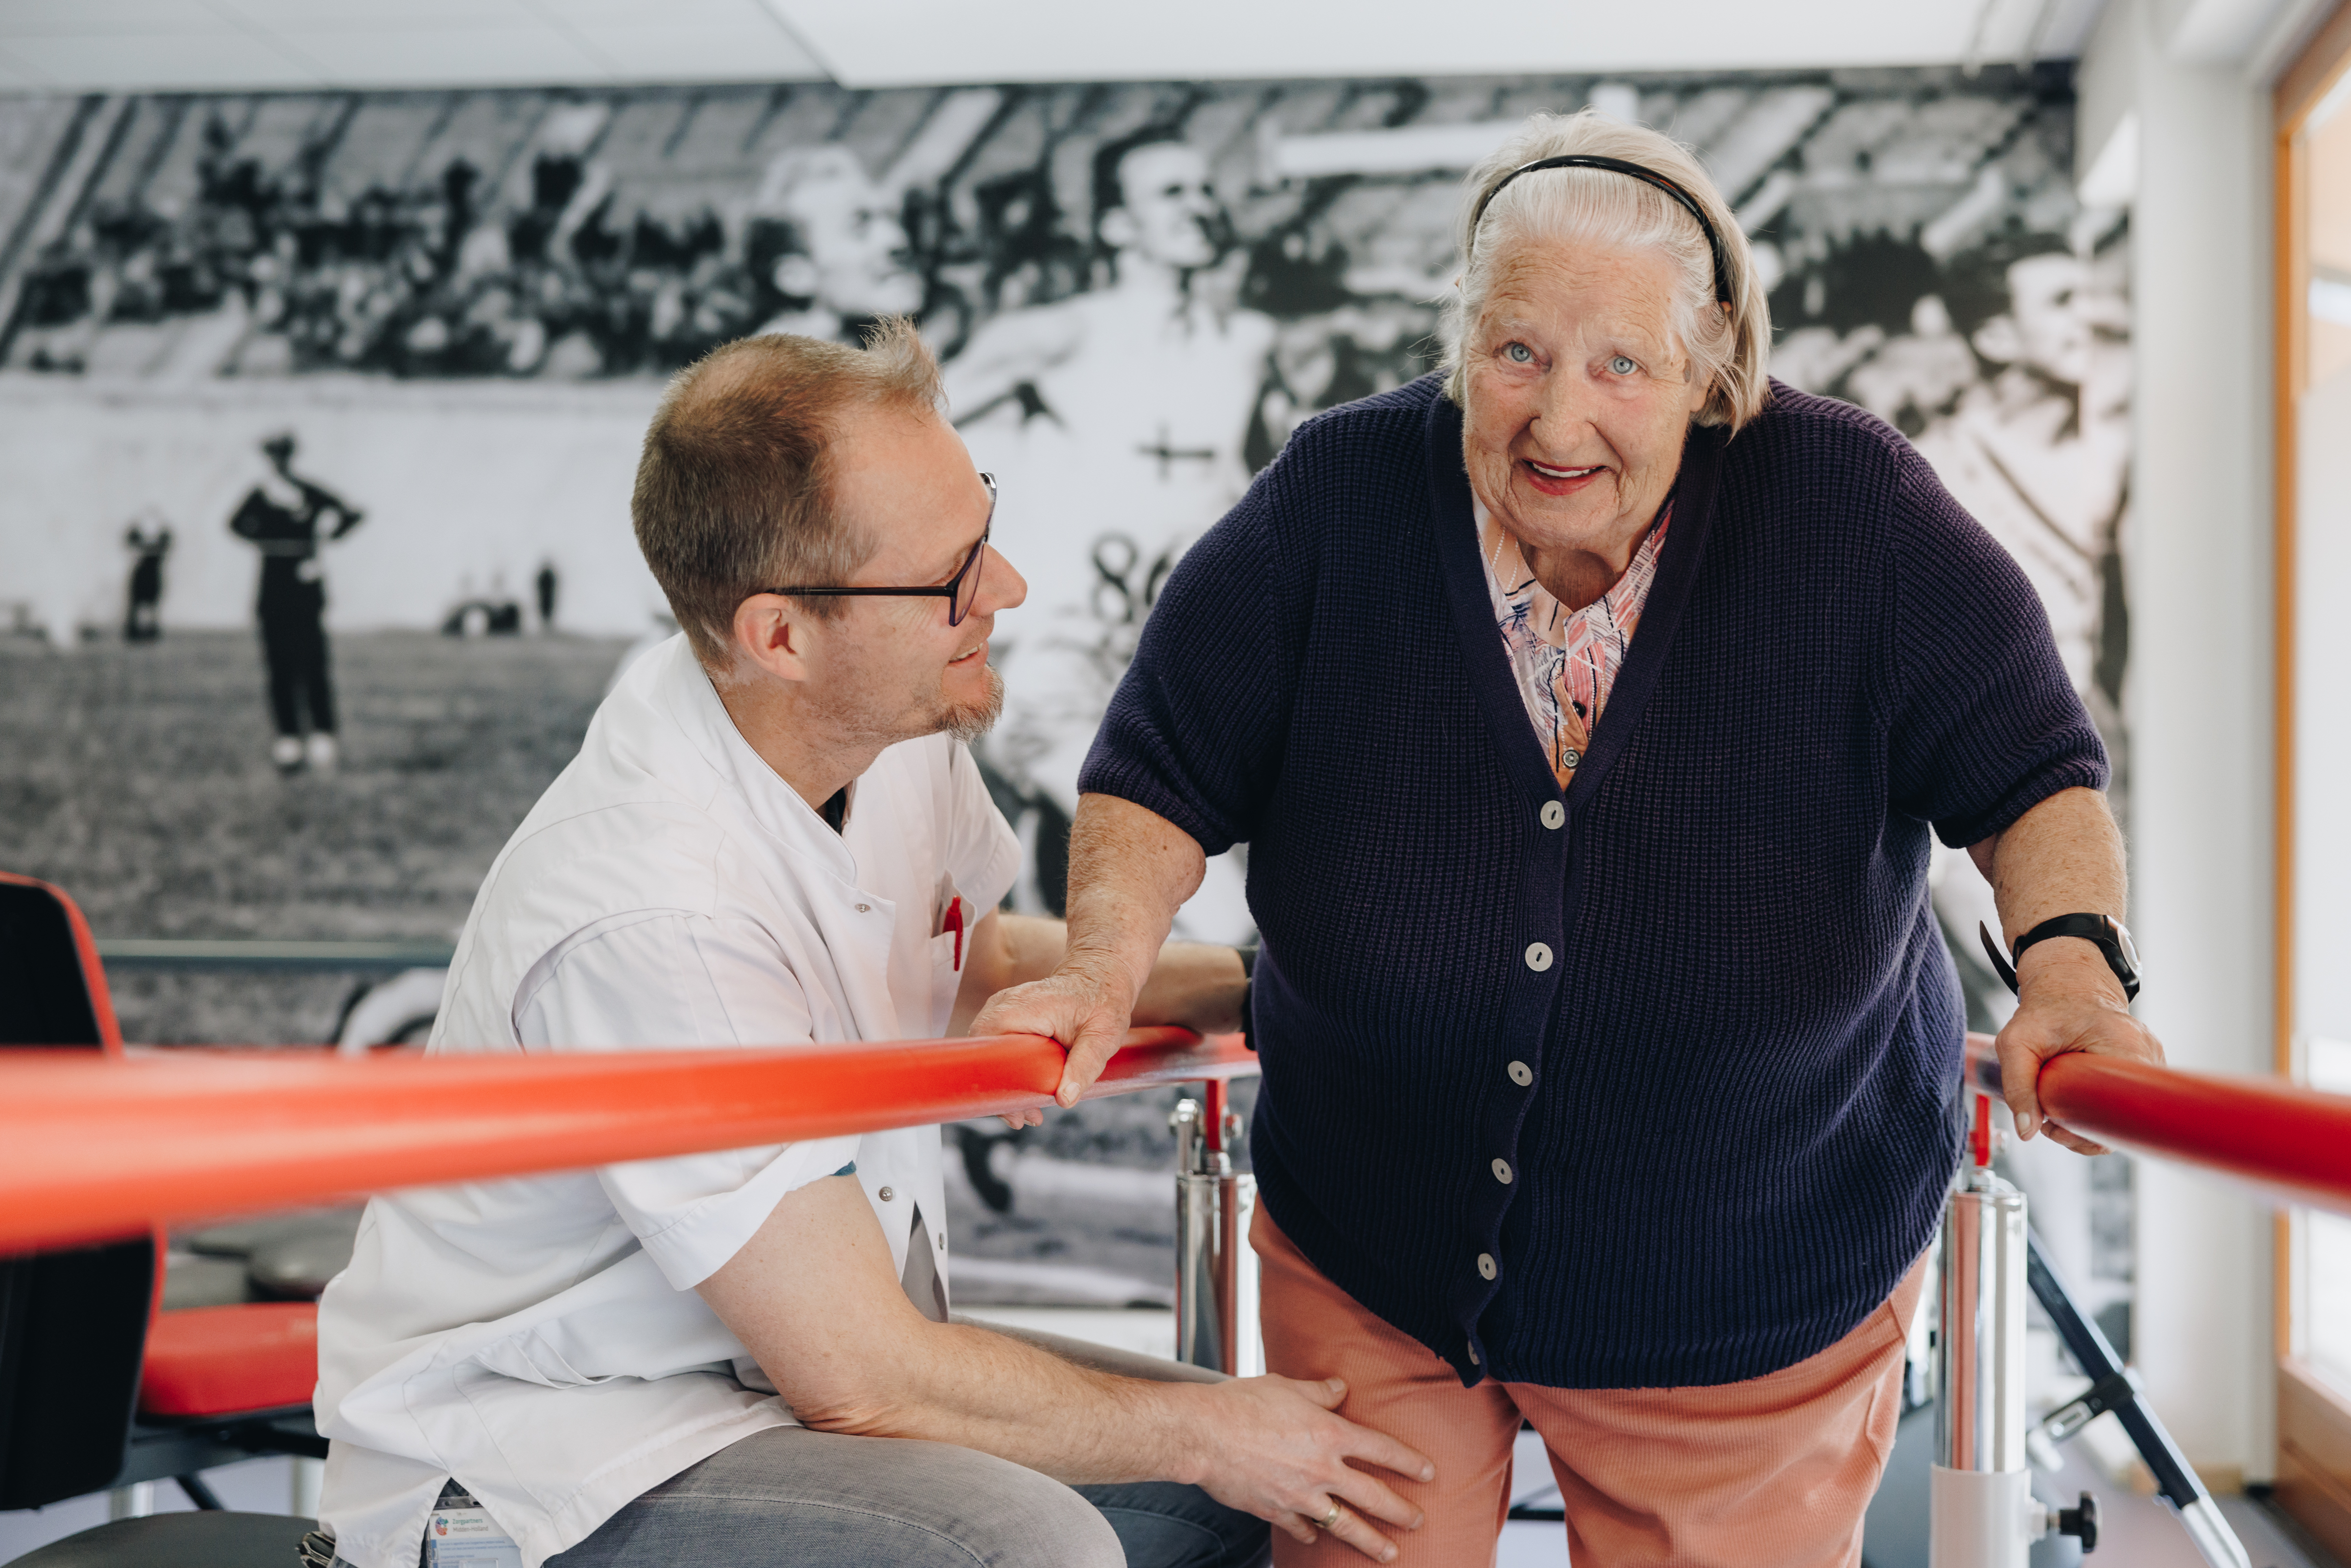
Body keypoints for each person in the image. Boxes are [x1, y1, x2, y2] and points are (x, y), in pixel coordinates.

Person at [975, 111, 2164, 1567]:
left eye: (1620, 365)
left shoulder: (1850, 507)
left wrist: (2075, 984)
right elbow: (1163, 760)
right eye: (1515, 352)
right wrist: (1104, 964)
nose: (1555, 419)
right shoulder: (1339, 492)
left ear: (1713, 366)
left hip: (1745, 1270)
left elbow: (2032, 770)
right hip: (1377, 1245)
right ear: (1458, 340)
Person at [312, 323, 1433, 1568]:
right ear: (779, 635)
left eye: (986, 525)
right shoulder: (654, 908)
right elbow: (861, 1374)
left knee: (1248, 1499)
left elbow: (962, 958)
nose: (1004, 590)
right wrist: (1207, 1431)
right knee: (1032, 1545)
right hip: (546, 1455)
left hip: (757, 1387)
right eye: (950, 575)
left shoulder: (875, 733)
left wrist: (1283, 994)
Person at [946, 125, 1275, 942]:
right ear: (1116, 226)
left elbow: (1255, 487)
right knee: (1217, 909)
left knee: (1058, 889)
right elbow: (902, 437)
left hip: (1174, 652)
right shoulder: (1057, 335)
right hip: (1056, 655)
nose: (1199, 208)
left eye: (1205, 190)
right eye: (1170, 193)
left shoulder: (1248, 346)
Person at [228, 432, 362, 773]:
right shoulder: (261, 496)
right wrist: (268, 542)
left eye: (284, 455)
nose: (279, 462)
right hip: (273, 585)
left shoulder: (308, 492)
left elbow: (351, 513)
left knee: (313, 659)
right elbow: (234, 525)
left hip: (305, 583)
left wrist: (327, 537)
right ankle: (287, 737)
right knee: (278, 662)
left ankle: (322, 734)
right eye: (274, 456)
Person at [122, 515, 171, 641]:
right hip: (147, 576)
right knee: (145, 607)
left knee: (146, 607)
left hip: (148, 576)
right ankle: (139, 632)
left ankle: (142, 632)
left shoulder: (149, 553)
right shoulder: (156, 553)